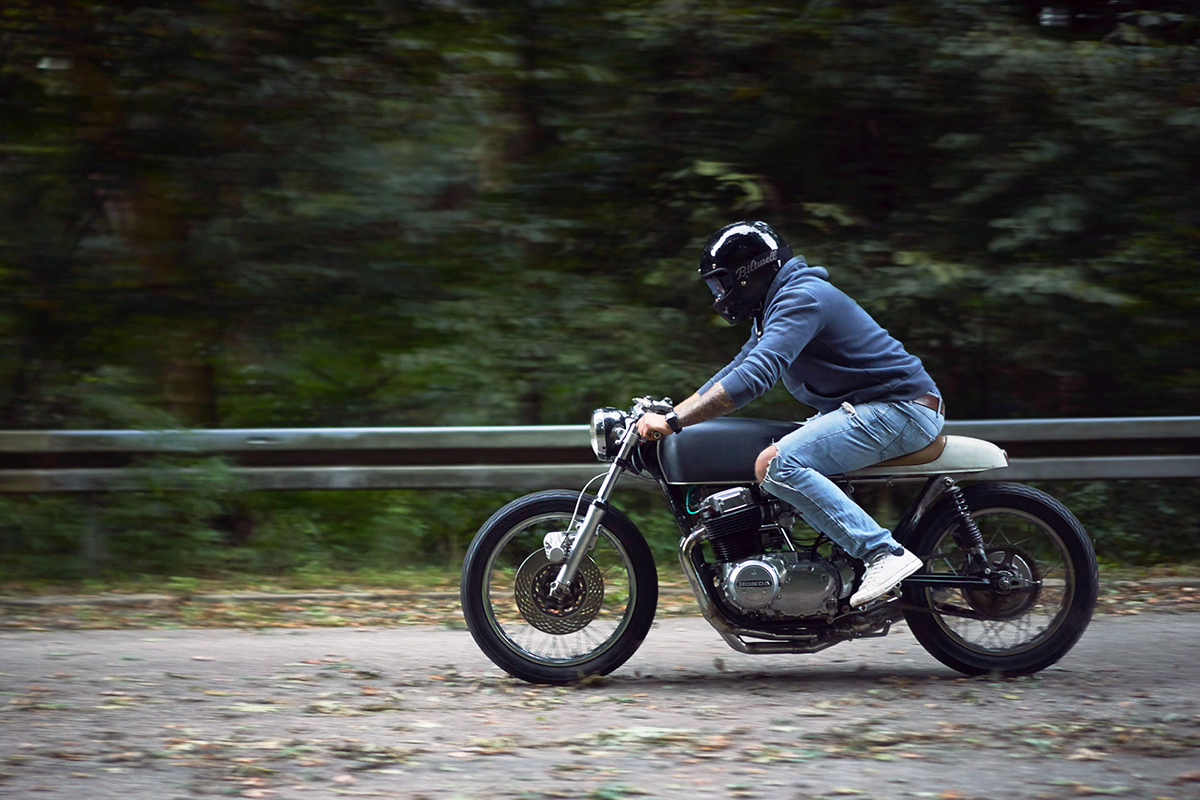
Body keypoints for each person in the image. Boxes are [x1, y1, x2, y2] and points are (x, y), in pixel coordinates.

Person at [635, 220, 944, 608]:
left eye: (721, 283)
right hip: (871, 409)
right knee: (772, 454)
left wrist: (675, 423)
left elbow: (755, 376)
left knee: (778, 464)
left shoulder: (802, 298)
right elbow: (738, 366)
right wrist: (675, 411)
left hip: (900, 410)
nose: (719, 295)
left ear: (749, 273)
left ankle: (883, 554)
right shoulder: (776, 307)